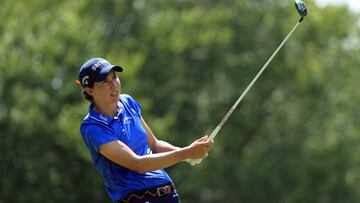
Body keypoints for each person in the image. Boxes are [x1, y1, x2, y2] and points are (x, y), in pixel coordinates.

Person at [77, 57, 214, 203]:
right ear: (89, 90)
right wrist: (186, 153)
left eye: (115, 77)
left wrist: (189, 153)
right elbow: (138, 164)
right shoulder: (93, 127)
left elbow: (154, 144)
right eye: (105, 81)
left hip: (168, 194)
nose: (114, 85)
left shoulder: (127, 102)